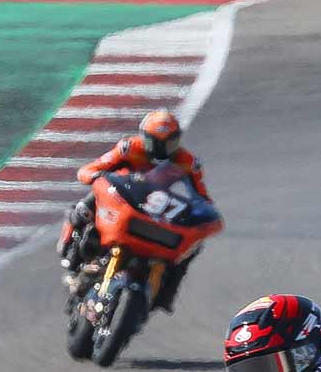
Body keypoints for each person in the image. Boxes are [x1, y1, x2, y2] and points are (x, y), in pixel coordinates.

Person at [58, 109, 211, 313]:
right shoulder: (128, 148)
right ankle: (69, 249)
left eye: (168, 143)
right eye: (155, 143)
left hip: (152, 208)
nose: (161, 149)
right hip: (118, 198)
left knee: (192, 245)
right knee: (86, 205)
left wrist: (202, 217)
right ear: (144, 137)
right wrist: (96, 177)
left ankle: (166, 292)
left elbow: (202, 197)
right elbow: (92, 168)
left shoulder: (186, 162)